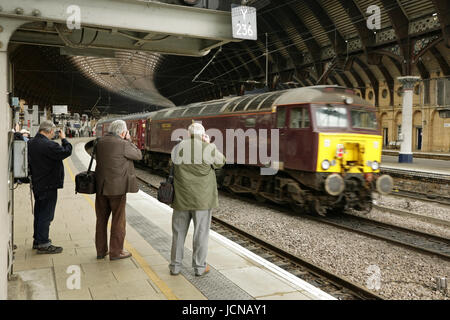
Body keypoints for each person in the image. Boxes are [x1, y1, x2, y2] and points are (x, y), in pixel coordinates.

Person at [169, 123, 225, 276]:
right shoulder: (208, 148)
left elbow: (171, 165)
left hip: (181, 199)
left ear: (188, 134)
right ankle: (199, 268)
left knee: (178, 233)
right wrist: (208, 143)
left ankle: (175, 266)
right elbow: (221, 162)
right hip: (202, 200)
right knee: (201, 233)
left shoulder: (178, 148)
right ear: (203, 135)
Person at [94, 120, 142, 260]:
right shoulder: (123, 144)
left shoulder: (100, 141)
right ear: (123, 132)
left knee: (101, 220)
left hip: (101, 187)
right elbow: (138, 155)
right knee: (118, 220)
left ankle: (101, 251)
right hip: (117, 189)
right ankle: (116, 252)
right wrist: (129, 140)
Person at [28, 120, 72, 254]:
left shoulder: (31, 143)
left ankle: (38, 239)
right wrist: (64, 139)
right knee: (46, 215)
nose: (54, 134)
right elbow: (67, 151)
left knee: (39, 213)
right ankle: (43, 244)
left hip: (37, 184)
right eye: (53, 132)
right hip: (49, 185)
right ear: (49, 131)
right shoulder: (49, 145)